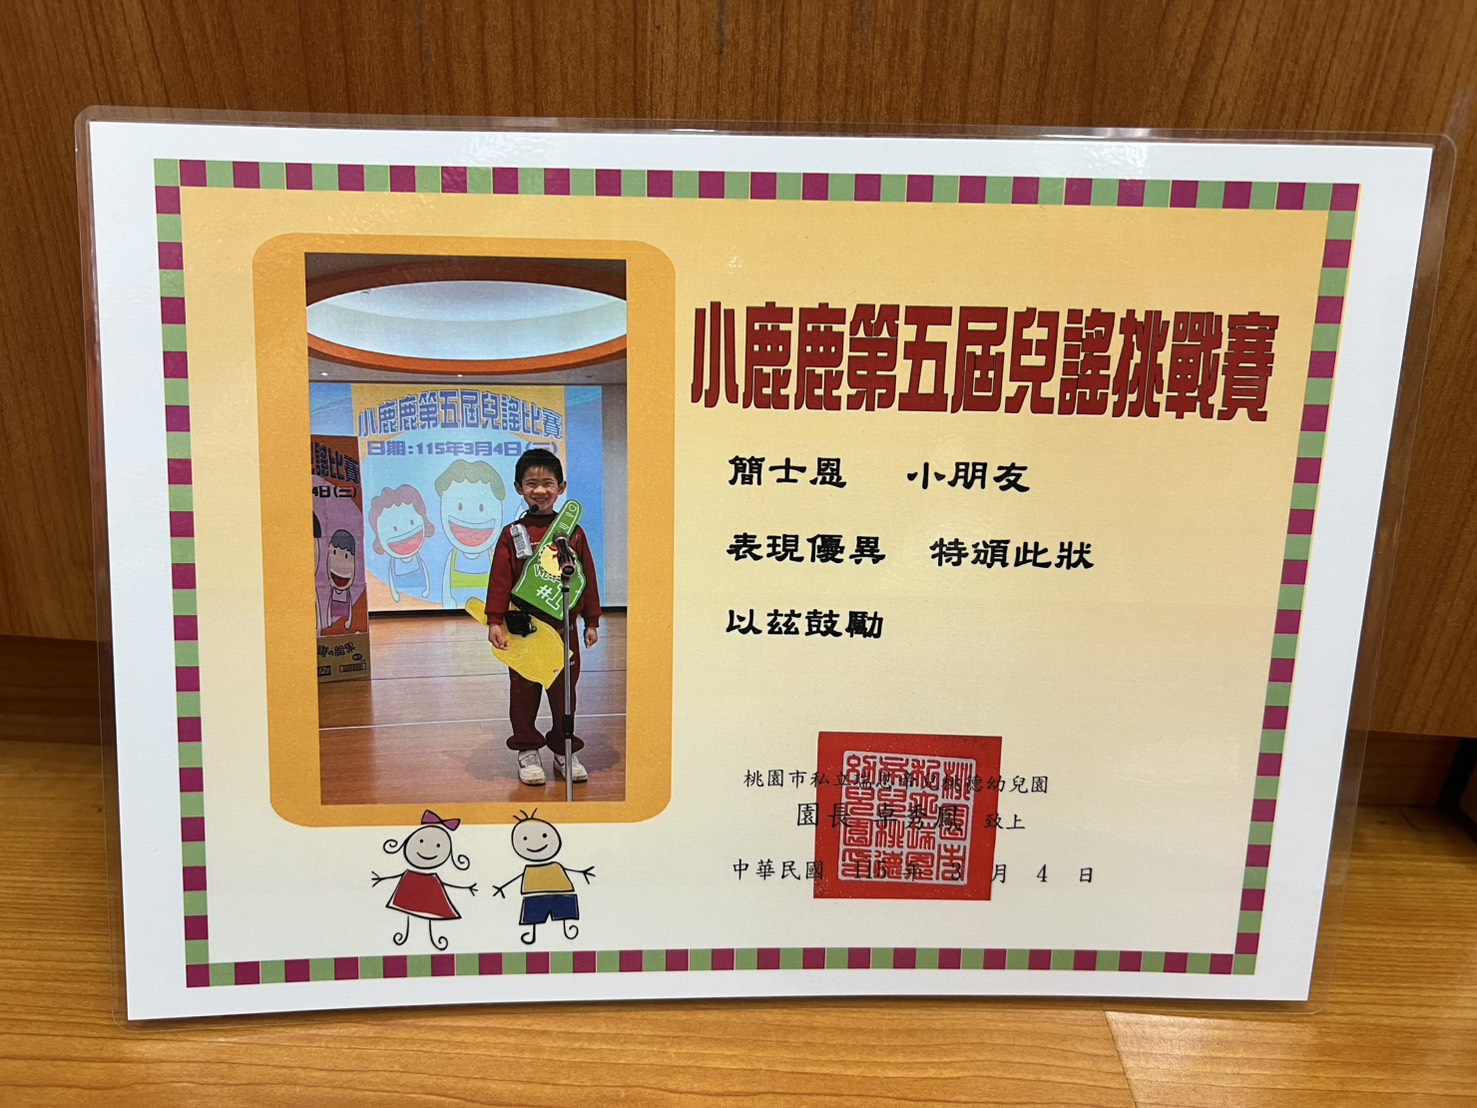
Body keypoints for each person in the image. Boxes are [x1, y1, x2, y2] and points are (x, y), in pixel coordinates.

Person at [484, 448, 601, 787]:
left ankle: (564, 749)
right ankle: (527, 749)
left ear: (561, 488)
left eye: (548, 483)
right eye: (531, 483)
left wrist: (591, 621)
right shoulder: (512, 533)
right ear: (519, 488)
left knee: (565, 693)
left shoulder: (573, 533)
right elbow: (500, 578)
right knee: (524, 691)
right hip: (524, 629)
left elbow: (587, 578)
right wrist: (495, 620)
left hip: (563, 628)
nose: (540, 490)